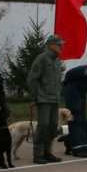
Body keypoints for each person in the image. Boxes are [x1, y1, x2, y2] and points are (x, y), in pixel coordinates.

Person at [27, 35, 65, 164]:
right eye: (59, 44)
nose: (61, 47)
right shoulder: (42, 59)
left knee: (53, 126)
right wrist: (34, 96)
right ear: (51, 45)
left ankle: (47, 152)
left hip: (55, 98)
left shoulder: (56, 60)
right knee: (43, 125)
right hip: (43, 98)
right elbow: (32, 79)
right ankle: (38, 153)